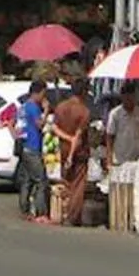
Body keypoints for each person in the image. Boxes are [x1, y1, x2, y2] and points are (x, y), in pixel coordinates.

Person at [52, 80, 93, 227]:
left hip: (62, 148)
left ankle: (63, 212)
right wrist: (71, 153)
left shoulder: (60, 107)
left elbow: (54, 128)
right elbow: (78, 136)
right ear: (83, 92)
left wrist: (66, 140)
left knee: (66, 181)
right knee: (78, 185)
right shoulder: (84, 111)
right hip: (78, 152)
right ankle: (72, 216)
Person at [15, 80, 52, 222]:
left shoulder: (22, 107)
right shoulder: (33, 107)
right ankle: (41, 212)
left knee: (27, 180)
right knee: (41, 180)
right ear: (38, 92)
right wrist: (46, 110)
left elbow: (14, 124)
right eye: (43, 94)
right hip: (32, 146)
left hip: (24, 146)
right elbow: (40, 125)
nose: (44, 97)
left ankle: (24, 210)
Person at [106, 85, 139, 168]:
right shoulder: (115, 114)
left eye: (132, 98)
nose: (130, 101)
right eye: (127, 99)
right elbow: (109, 137)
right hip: (120, 159)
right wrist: (109, 160)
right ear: (122, 98)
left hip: (138, 158)